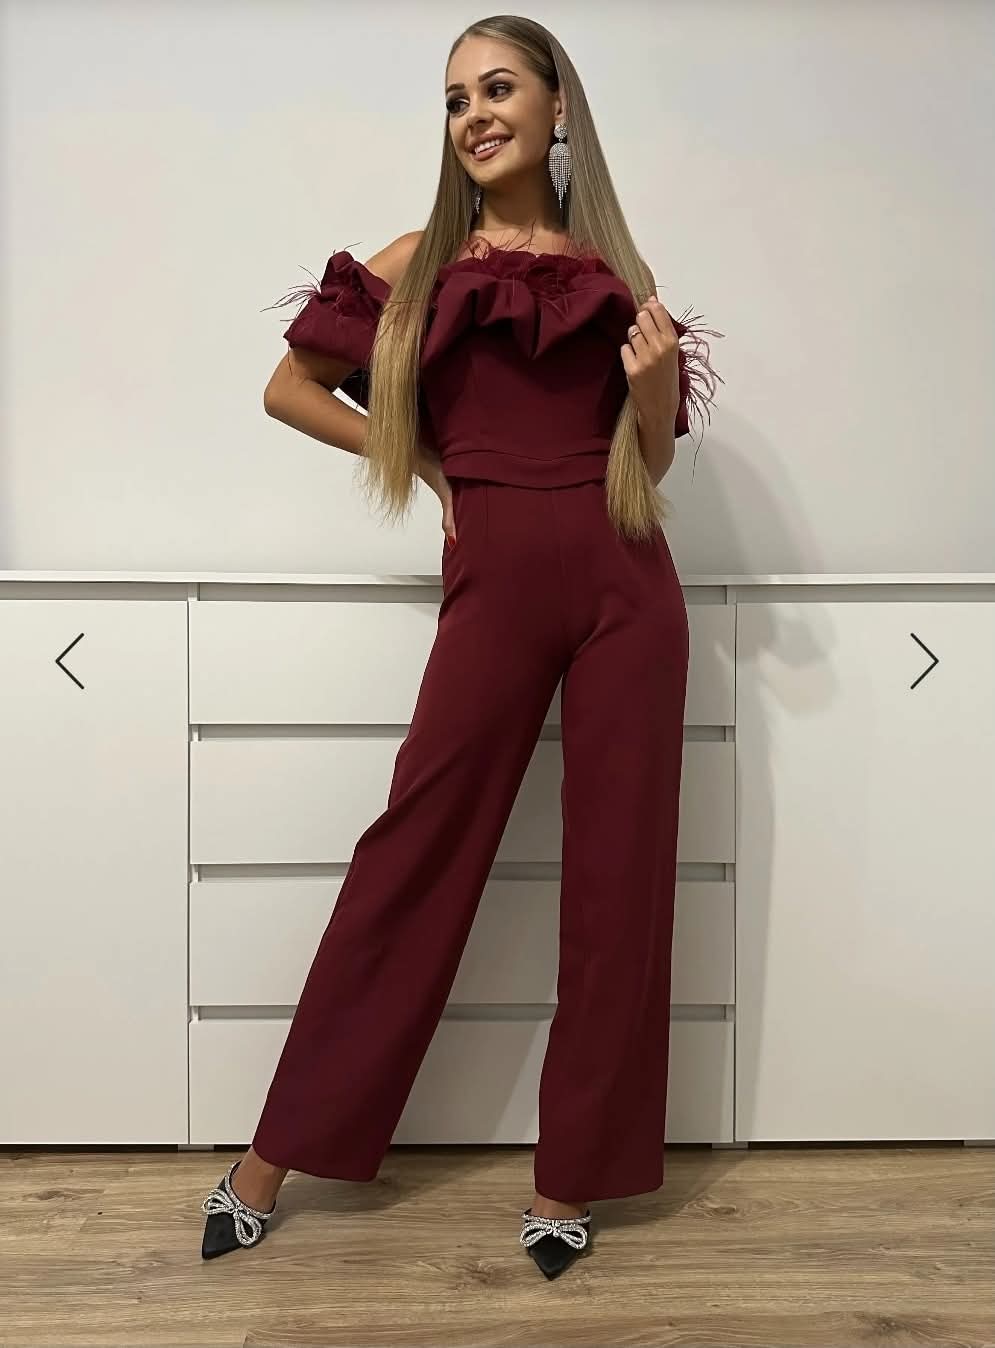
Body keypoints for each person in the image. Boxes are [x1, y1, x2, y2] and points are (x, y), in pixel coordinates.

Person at [200, 13, 721, 1281]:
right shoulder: (420, 263)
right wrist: (429, 463)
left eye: (496, 89)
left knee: (617, 883)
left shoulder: (614, 269)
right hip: (493, 588)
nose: (473, 116)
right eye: (453, 100)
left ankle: (568, 1179)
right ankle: (271, 1156)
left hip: (626, 587)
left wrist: (652, 386)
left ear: (556, 107)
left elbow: (648, 464)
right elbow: (286, 386)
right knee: (414, 855)